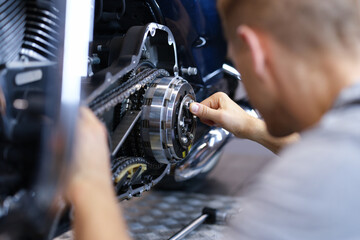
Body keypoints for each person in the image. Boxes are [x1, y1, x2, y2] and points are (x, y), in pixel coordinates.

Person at [66, 0, 360, 239]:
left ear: (256, 54)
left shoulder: (304, 193)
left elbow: (322, 170)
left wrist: (90, 182)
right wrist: (252, 128)